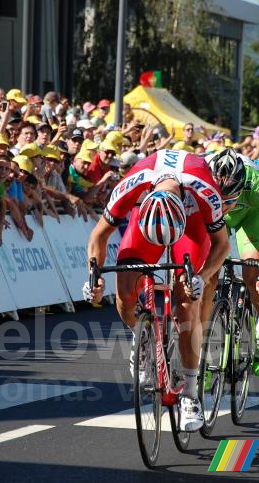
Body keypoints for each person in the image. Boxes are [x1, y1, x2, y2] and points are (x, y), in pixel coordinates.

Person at [84, 149, 231, 432]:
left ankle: (190, 393)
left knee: (187, 301)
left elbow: (222, 245)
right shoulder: (131, 185)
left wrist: (201, 276)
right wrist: (94, 276)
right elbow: (99, 236)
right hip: (146, 220)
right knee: (124, 291)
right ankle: (143, 337)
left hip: (190, 221)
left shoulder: (204, 190)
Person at [202, 149, 259, 374]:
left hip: (249, 216)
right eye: (219, 200)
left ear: (240, 189)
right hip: (208, 217)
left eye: (229, 200)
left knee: (255, 277)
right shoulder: (198, 179)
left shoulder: (254, 184)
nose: (223, 207)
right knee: (205, 280)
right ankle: (200, 356)